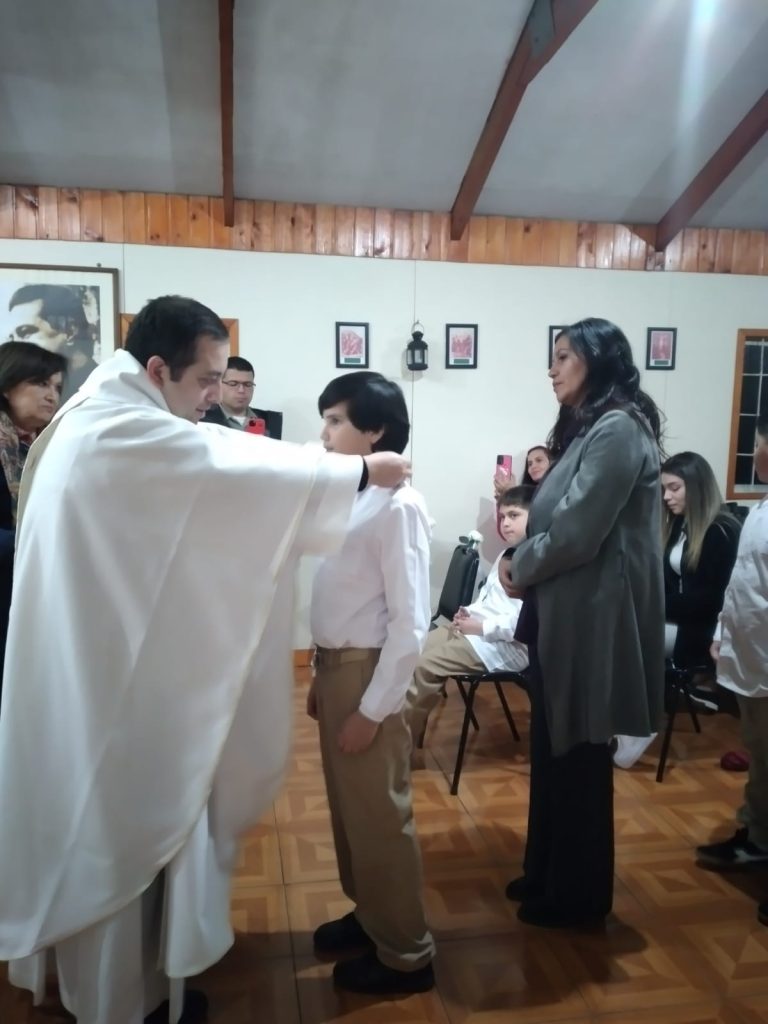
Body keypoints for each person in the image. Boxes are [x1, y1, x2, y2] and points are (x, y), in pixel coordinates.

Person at [0, 296, 411, 1024]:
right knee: (112, 831)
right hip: (101, 687)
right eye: (207, 379)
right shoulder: (121, 426)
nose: (216, 395)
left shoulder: (103, 411)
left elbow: (212, 462)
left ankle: (114, 987)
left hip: (91, 668)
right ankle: (120, 1002)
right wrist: (351, 473)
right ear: (159, 369)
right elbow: (219, 462)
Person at [503, 317, 665, 928]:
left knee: (578, 755)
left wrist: (521, 563)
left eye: (564, 356)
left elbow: (576, 531)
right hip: (566, 609)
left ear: (597, 361)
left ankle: (579, 896)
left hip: (594, 618)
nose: (552, 368)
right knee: (554, 749)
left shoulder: (619, 428)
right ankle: (546, 871)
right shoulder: (587, 427)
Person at [307, 371, 434, 995]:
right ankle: (372, 915)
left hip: (369, 673)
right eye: (325, 420)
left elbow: (410, 625)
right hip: (340, 669)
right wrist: (319, 673)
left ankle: (408, 954)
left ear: (376, 430)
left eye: (336, 421)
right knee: (350, 811)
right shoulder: (357, 497)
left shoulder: (400, 506)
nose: (325, 434)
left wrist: (372, 710)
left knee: (381, 815)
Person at [697, 416, 768, 912]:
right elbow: (742, 583)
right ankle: (758, 839)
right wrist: (723, 634)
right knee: (760, 756)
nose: (756, 452)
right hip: (750, 660)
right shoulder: (759, 510)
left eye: (760, 444)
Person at [409, 484, 533, 746]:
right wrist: (469, 613)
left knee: (424, 668)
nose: (505, 523)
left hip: (503, 647)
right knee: (410, 654)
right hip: (477, 631)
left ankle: (401, 744)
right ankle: (401, 732)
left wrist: (480, 627)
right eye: (502, 516)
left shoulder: (537, 564)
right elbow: (488, 598)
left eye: (514, 515)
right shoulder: (505, 554)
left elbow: (524, 623)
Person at [0, 341, 67, 697]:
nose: (52, 395)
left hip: (27, 589)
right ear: (7, 385)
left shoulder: (44, 447)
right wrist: (30, 541)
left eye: (57, 386)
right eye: (40, 383)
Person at [661, 451, 740, 673]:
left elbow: (711, 600)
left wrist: (655, 605)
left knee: (626, 637)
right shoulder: (679, 524)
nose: (666, 496)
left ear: (697, 487)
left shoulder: (721, 532)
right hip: (681, 620)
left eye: (674, 488)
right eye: (663, 489)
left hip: (704, 630)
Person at [6, 283, 97, 400]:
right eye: (12, 337)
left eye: (26, 332)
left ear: (70, 330)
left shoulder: (101, 389)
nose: (15, 345)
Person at [202, 354, 282, 438]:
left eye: (247, 384)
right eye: (233, 384)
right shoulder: (202, 419)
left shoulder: (270, 420)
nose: (241, 390)